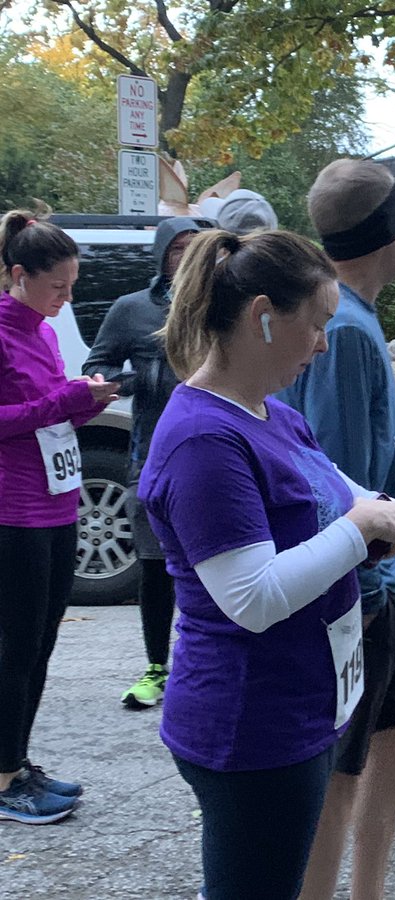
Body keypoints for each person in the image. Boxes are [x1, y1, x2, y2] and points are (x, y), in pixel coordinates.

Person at [139, 228, 395, 900]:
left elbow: (340, 491)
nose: (324, 343)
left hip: (293, 713)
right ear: (265, 316)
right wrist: (361, 531)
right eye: (318, 323)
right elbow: (252, 596)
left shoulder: (267, 414)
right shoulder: (204, 440)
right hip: (250, 728)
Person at [277, 159, 395, 900]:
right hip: (364, 588)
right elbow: (342, 483)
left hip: (385, 579)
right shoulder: (346, 332)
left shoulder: (347, 316)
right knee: (343, 776)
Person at [0, 209, 117, 824]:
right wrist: (65, 400)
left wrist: (83, 402)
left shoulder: (44, 331)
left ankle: (17, 761)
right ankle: (2, 777)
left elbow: (47, 415)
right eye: (58, 287)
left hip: (56, 501)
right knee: (15, 646)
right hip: (11, 510)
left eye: (72, 287)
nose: (65, 299)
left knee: (41, 642)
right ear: (18, 274)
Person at [83, 216, 207, 708]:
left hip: (213, 453)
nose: (186, 257)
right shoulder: (131, 309)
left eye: (195, 248)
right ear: (161, 257)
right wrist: (136, 380)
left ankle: (209, 669)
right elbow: (97, 365)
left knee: (220, 560)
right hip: (151, 454)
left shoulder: (222, 305)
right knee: (156, 567)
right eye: (177, 249)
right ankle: (157, 668)